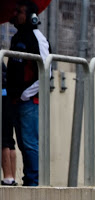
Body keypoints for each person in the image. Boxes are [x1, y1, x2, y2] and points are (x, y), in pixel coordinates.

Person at [6, 0, 50, 186]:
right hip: (14, 99)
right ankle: (29, 180)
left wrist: (26, 94)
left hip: (29, 101)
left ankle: (34, 182)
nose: (15, 15)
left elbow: (45, 71)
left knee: (30, 143)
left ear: (31, 16)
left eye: (20, 12)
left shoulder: (37, 38)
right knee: (22, 144)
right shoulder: (17, 38)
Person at [2, 62, 18, 185]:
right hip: (8, 97)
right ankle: (11, 177)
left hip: (3, 98)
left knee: (4, 140)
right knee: (9, 140)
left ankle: (8, 177)